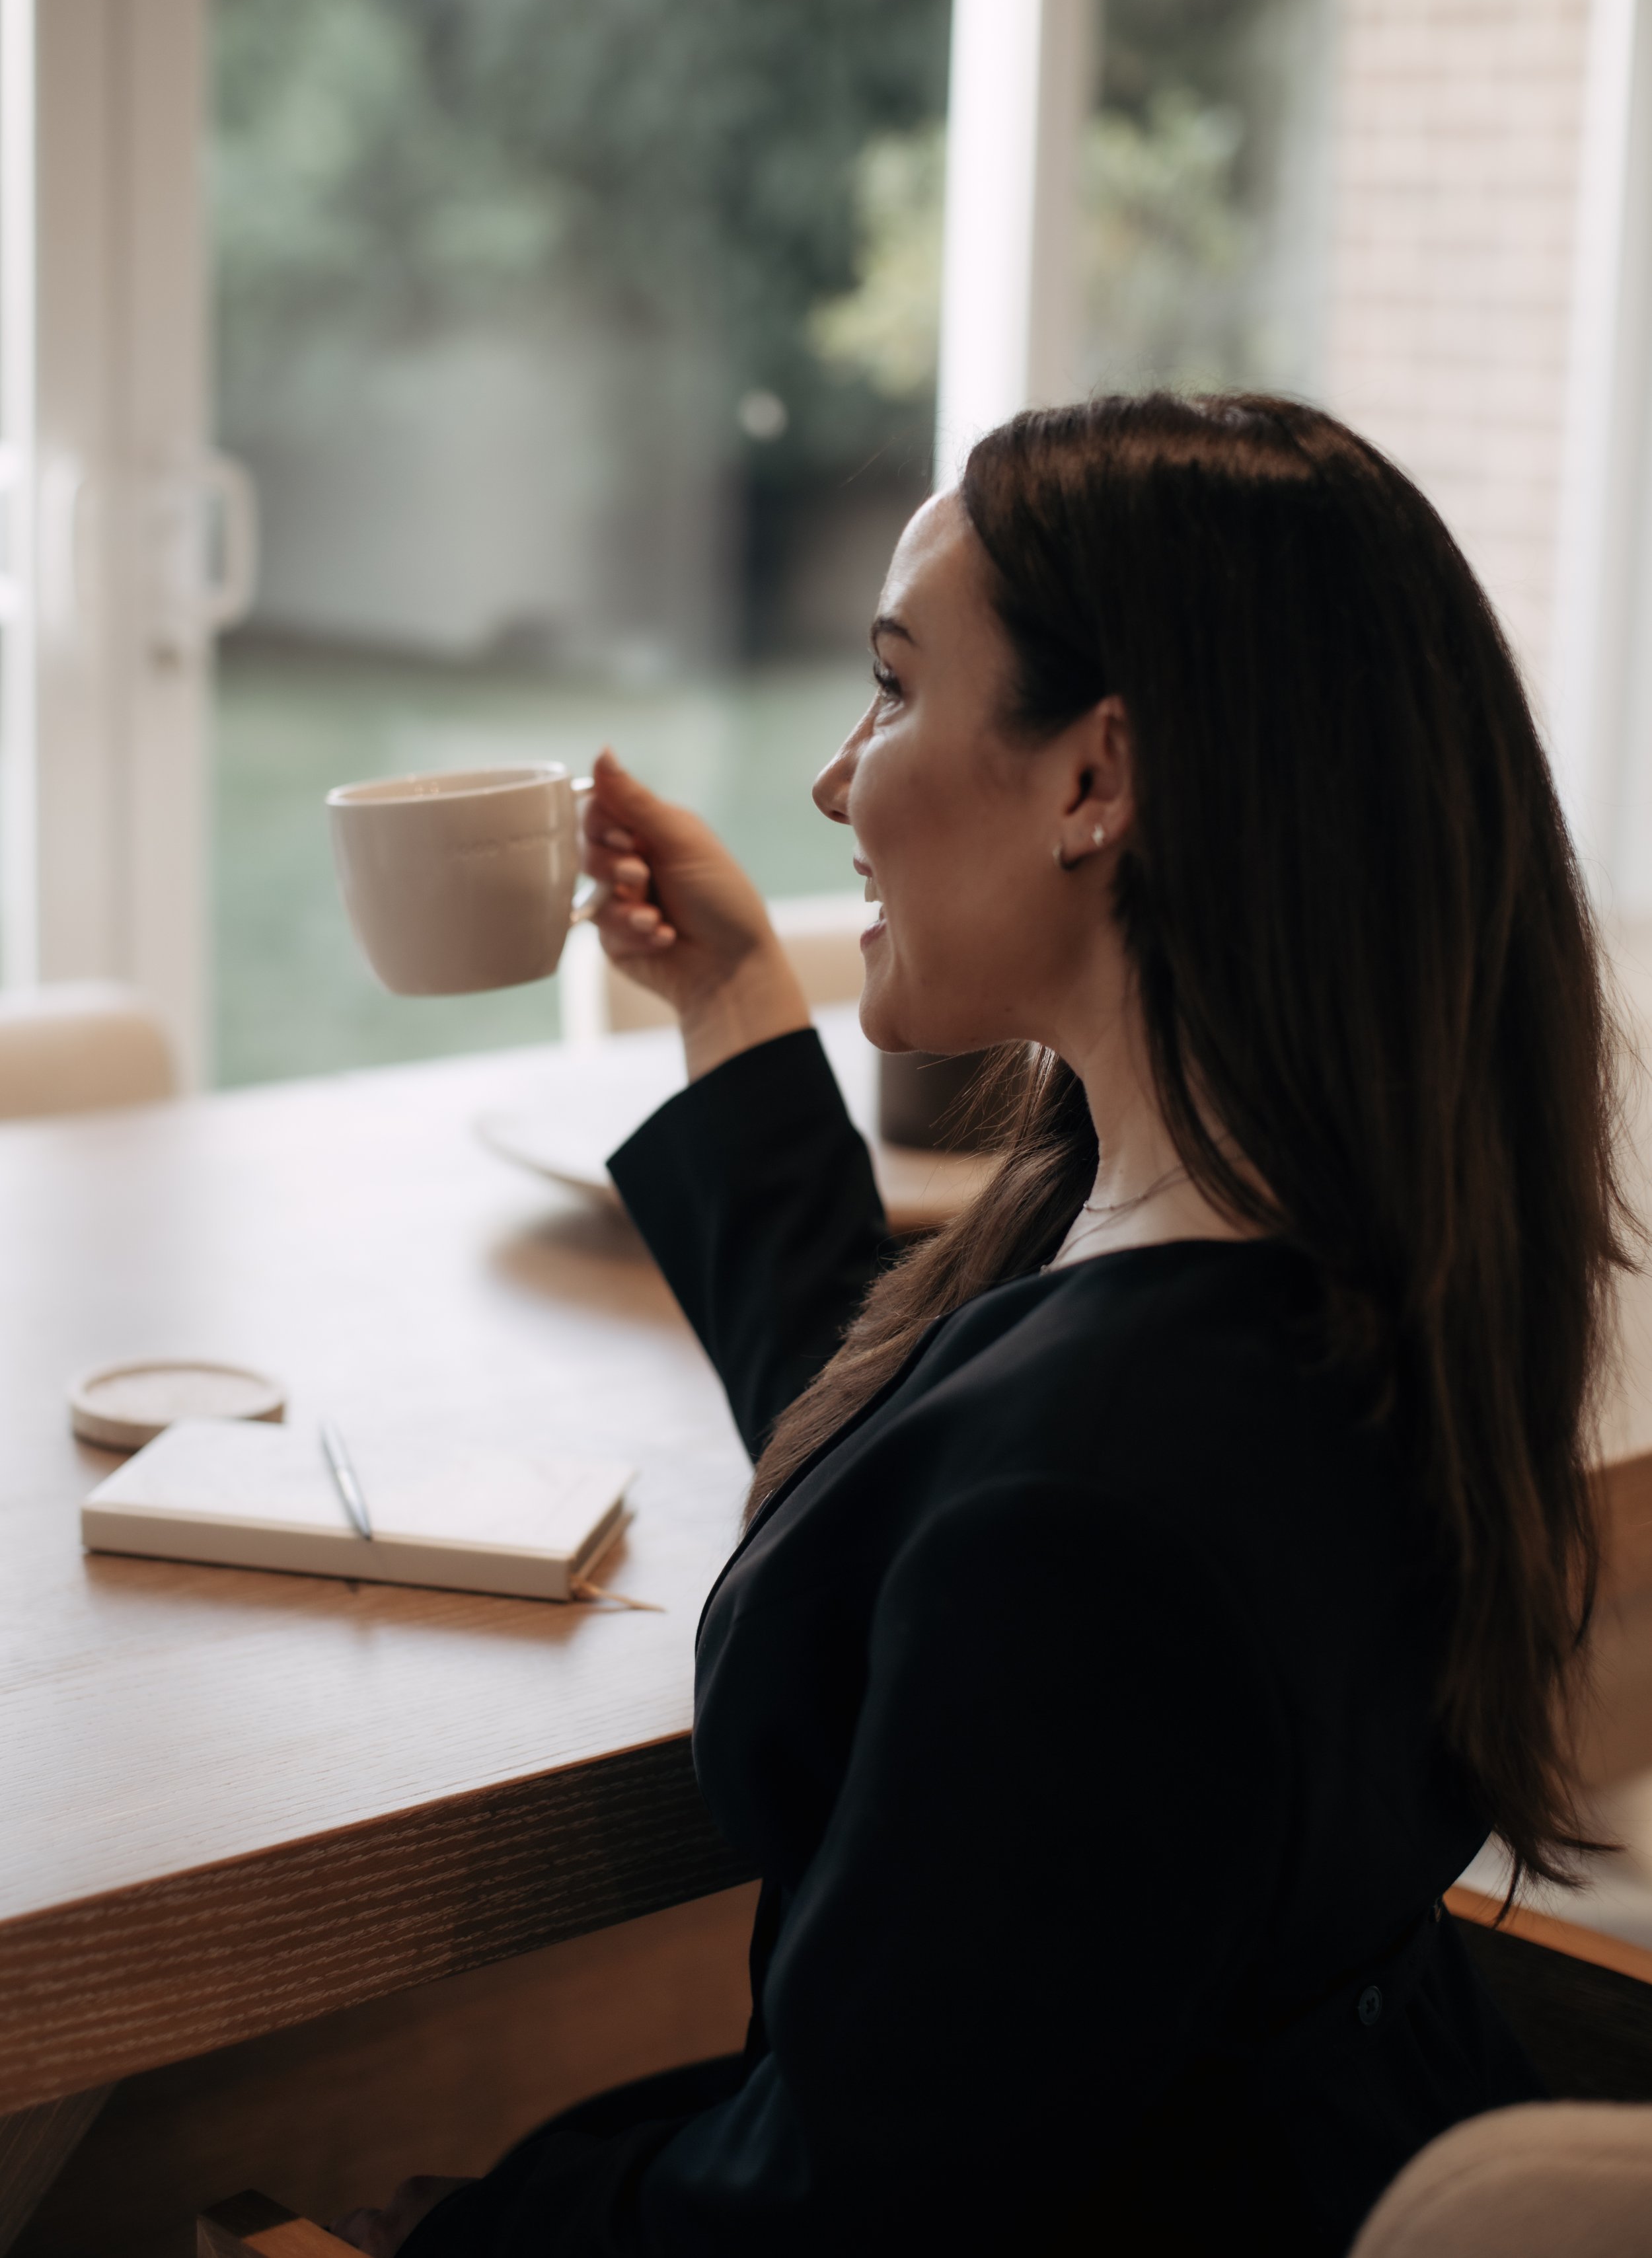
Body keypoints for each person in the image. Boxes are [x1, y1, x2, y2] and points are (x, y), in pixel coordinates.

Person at [342, 393, 1632, 2258]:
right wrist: (726, 997)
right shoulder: (1321, 1256)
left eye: (889, 687)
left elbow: (825, 2223)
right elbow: (923, 1471)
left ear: (1093, 778)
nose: (833, 779)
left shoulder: (1084, 1527)